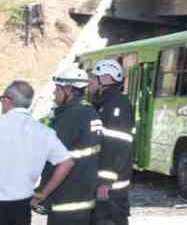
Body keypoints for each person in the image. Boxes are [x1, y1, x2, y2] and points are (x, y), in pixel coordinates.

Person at [0, 81, 74, 225]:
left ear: (7, 100)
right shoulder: (44, 132)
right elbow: (67, 162)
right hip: (22, 206)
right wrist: (43, 193)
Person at [39, 67, 102, 225]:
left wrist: (42, 192)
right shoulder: (89, 111)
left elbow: (57, 159)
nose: (54, 93)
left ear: (68, 89)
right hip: (83, 195)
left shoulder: (71, 116)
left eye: (57, 89)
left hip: (66, 197)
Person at [88, 60, 134, 225]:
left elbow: (118, 146)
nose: (90, 81)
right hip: (102, 183)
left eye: (94, 77)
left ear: (107, 78)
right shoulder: (102, 103)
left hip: (111, 188)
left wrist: (106, 182)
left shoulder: (117, 104)